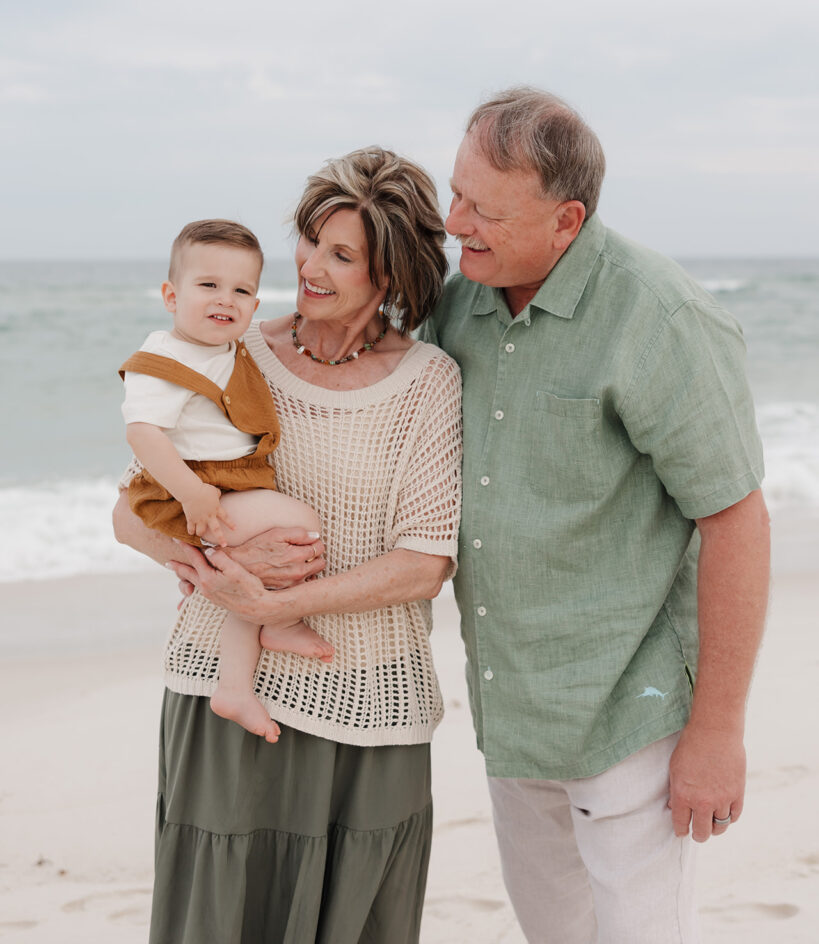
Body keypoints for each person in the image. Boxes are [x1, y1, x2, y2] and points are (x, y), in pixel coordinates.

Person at [418, 87, 770, 943]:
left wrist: (717, 733)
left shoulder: (659, 316)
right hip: (513, 705)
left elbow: (735, 519)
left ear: (565, 221)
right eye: (454, 191)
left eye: (485, 210)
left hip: (634, 710)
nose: (455, 220)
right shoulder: (457, 297)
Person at [113, 146, 462, 944]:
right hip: (225, 700)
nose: (309, 266)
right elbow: (131, 513)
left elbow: (424, 563)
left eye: (342, 255)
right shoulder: (230, 355)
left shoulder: (427, 382)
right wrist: (211, 566)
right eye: (309, 240)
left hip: (370, 703)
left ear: (392, 277)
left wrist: (274, 600)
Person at [120, 218, 333, 746]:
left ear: (256, 307)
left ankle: (235, 684)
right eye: (208, 285)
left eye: (242, 290)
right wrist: (193, 496)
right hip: (198, 490)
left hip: (225, 484)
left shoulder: (227, 349)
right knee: (300, 526)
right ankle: (276, 626)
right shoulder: (165, 357)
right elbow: (143, 434)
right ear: (171, 295)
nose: (226, 299)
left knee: (253, 573)